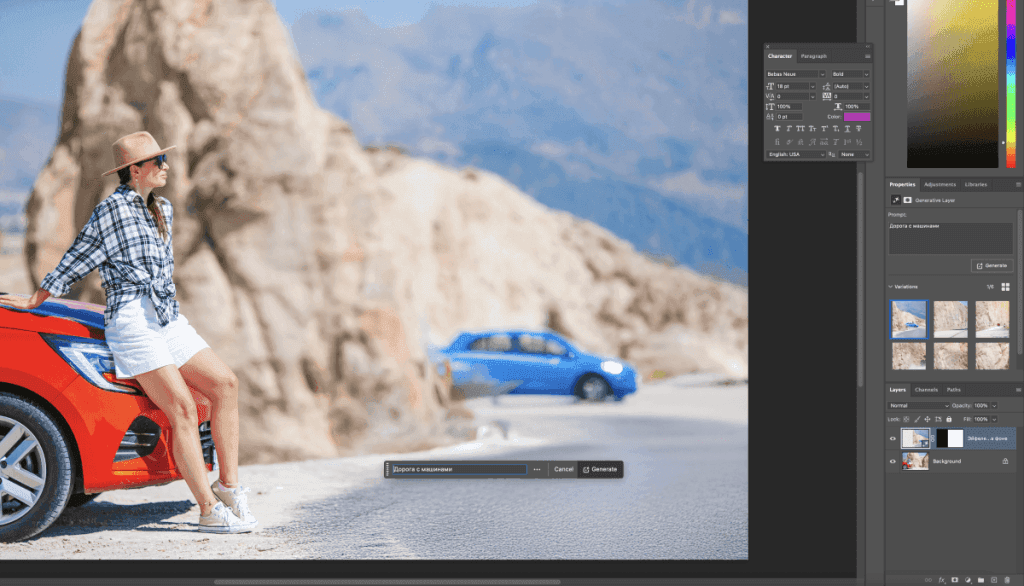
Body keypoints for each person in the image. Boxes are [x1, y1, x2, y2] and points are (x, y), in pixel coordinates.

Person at [0, 131, 257, 534]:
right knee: (183, 411)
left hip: (168, 318)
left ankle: (228, 487)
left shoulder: (164, 210)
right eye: (157, 161)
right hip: (133, 322)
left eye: (163, 159)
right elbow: (77, 256)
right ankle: (208, 510)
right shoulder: (111, 211)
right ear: (134, 171)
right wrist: (37, 297)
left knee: (225, 384)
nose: (165, 166)